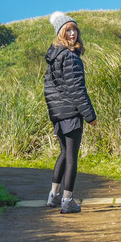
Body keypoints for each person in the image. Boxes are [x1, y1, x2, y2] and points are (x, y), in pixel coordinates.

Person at [43, 11, 97, 213]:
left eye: (74, 29)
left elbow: (49, 90)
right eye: (68, 30)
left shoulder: (54, 56)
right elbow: (77, 90)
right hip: (71, 113)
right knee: (72, 156)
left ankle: (53, 196)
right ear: (60, 33)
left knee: (64, 153)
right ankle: (67, 201)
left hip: (58, 113)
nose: (73, 34)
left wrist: (54, 115)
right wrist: (89, 115)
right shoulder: (70, 57)